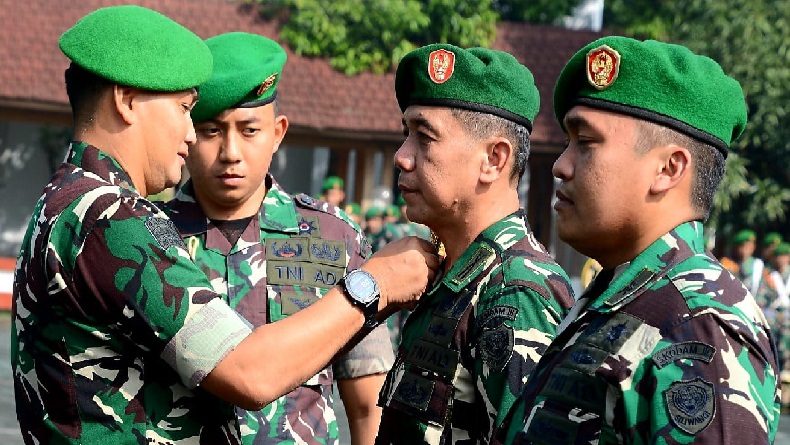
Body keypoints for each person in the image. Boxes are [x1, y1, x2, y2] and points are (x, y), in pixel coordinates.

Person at [11, 7, 439, 444]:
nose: (191, 133)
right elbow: (250, 373)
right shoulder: (111, 217)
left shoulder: (65, 201)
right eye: (185, 110)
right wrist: (373, 285)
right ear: (126, 101)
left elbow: (366, 401)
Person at [494, 36, 780, 444]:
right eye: (567, 143)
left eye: (586, 143)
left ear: (667, 168)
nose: (560, 166)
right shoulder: (621, 298)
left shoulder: (696, 325)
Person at [158, 32, 395, 445]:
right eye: (212, 131)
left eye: (249, 130)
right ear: (188, 134)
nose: (231, 152)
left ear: (278, 133)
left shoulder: (335, 237)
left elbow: (367, 403)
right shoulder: (150, 235)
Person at [375, 43, 575, 445]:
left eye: (424, 138)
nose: (401, 156)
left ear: (494, 160)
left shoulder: (516, 289)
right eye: (405, 134)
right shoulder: (453, 271)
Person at [723, 229, 765, 295]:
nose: (746, 249)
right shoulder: (727, 263)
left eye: (749, 246)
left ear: (754, 247)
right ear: (736, 247)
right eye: (743, 246)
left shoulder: (758, 265)